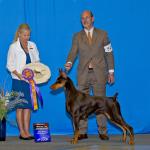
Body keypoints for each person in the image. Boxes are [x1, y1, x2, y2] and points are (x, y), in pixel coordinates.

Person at [65, 10, 115, 140]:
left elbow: (109, 53)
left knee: (101, 103)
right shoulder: (77, 36)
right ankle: (82, 132)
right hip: (83, 74)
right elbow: (73, 52)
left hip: (99, 74)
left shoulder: (103, 34)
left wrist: (111, 72)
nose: (84, 20)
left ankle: (102, 131)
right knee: (80, 105)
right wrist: (69, 62)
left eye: (87, 17)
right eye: (82, 18)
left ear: (93, 19)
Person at [6, 24, 40, 140]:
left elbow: (37, 61)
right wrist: (19, 75)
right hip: (18, 81)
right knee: (20, 107)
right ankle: (21, 132)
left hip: (30, 81)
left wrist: (37, 73)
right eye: (24, 35)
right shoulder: (13, 47)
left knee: (28, 107)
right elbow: (9, 65)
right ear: (19, 34)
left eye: (28, 35)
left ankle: (27, 131)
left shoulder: (33, 45)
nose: (27, 37)